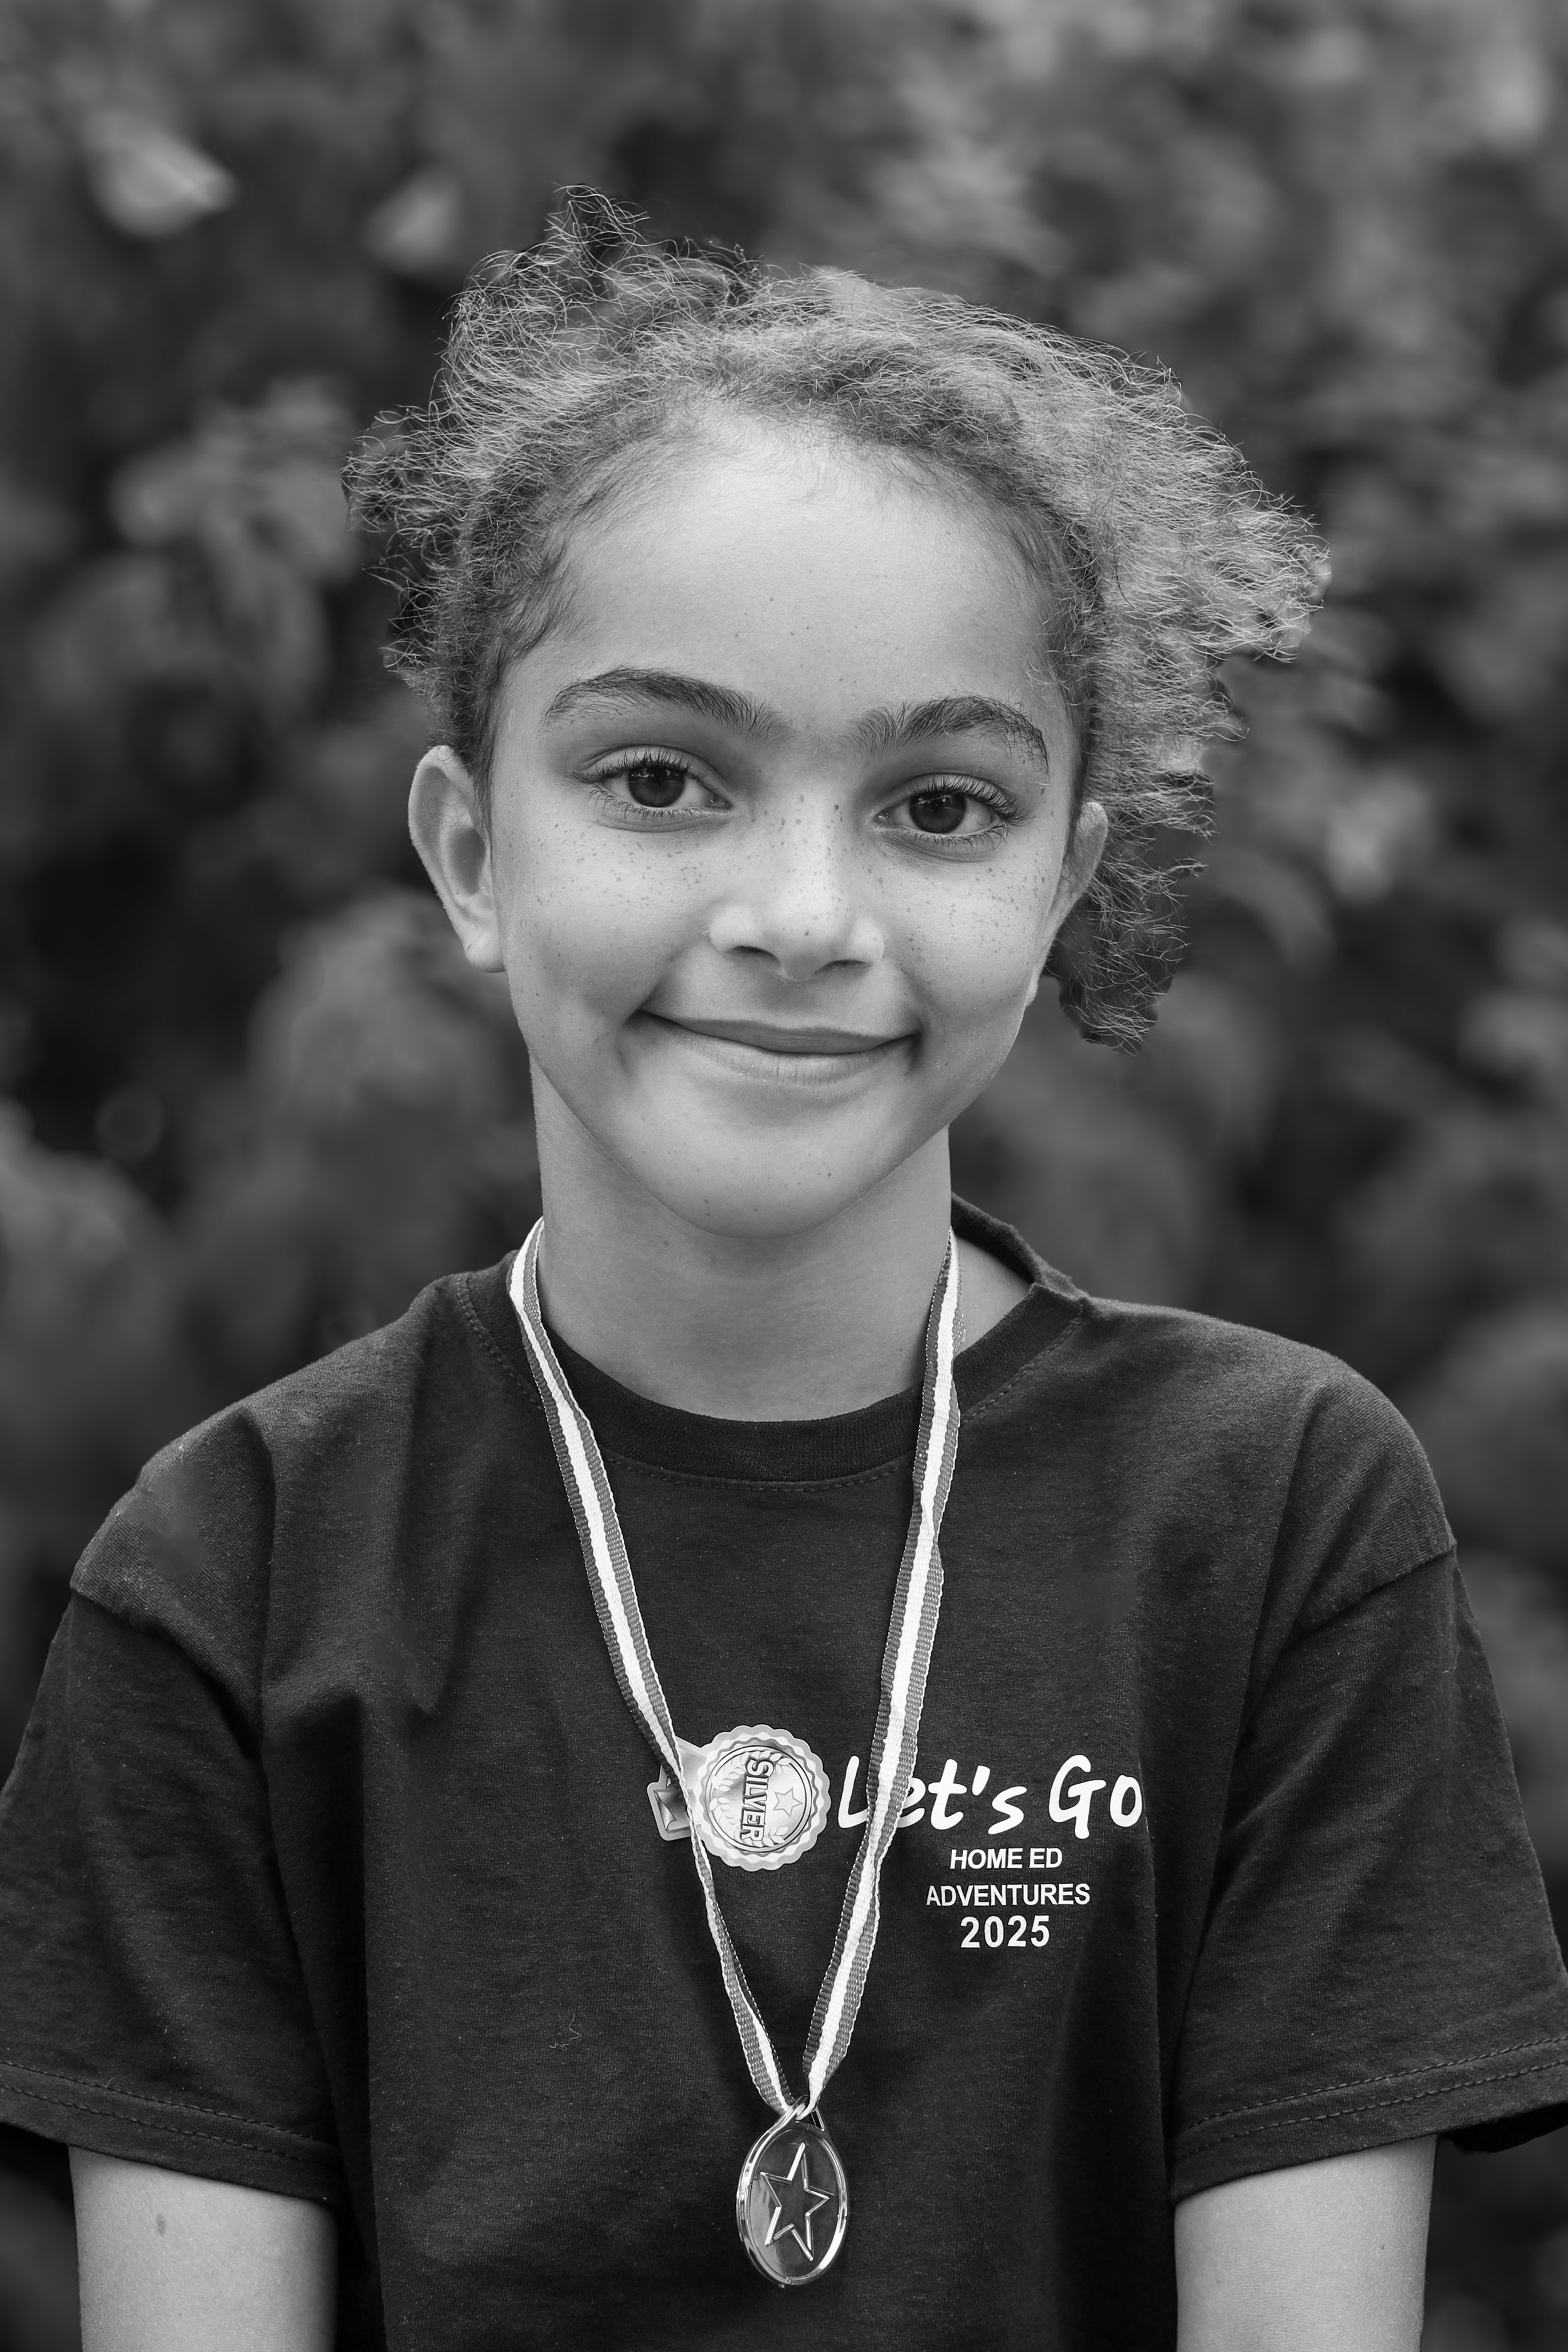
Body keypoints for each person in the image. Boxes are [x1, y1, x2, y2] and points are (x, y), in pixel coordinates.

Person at [1, 190, 1565, 2352]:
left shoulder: (1270, 1520)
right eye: (663, 778)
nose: (803, 914)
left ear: (1063, 878)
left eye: (936, 806)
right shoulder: (236, 1582)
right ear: (472, 852)